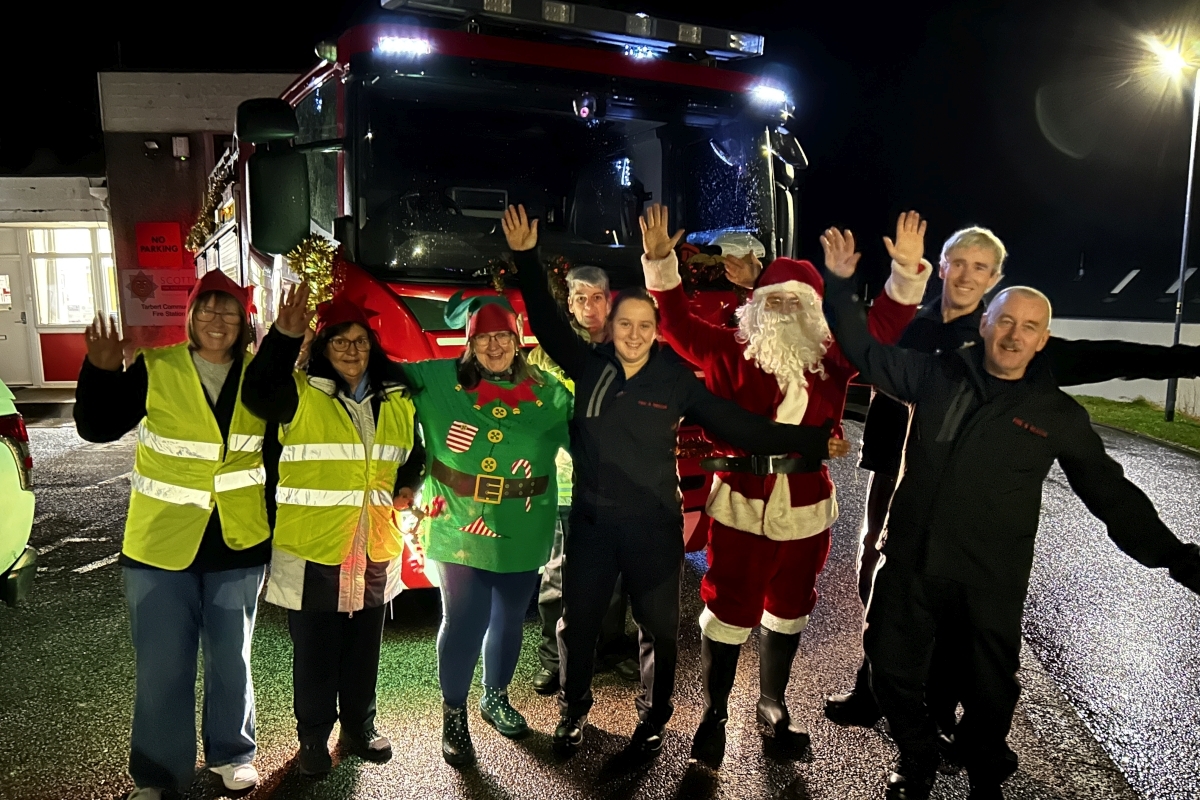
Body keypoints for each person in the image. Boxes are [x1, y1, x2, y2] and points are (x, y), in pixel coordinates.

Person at [819, 225, 1200, 800]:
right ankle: (915, 757)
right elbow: (865, 352)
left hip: (990, 572)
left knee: (991, 689)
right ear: (986, 323)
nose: (1014, 335)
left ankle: (984, 773)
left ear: (1044, 339)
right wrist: (842, 284)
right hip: (914, 555)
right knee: (889, 664)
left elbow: (1112, 495)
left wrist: (1177, 559)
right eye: (1005, 322)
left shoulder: (1055, 412)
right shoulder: (939, 374)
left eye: (1029, 328)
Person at [500, 204, 850, 756]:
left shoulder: (679, 381)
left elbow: (744, 427)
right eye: (625, 326)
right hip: (597, 520)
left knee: (664, 631)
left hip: (664, 521)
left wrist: (813, 442)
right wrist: (527, 257)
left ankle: (665, 717)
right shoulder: (590, 365)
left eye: (645, 326)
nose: (635, 335)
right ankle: (577, 710)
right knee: (581, 622)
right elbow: (545, 321)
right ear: (609, 330)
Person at [640, 205, 930, 767]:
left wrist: (907, 274)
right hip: (742, 505)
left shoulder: (833, 359)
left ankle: (773, 703)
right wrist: (659, 262)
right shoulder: (727, 350)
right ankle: (715, 712)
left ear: (814, 310)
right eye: (773, 298)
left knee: (792, 604)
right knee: (728, 606)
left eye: (796, 299)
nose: (782, 307)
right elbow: (673, 323)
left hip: (806, 509)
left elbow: (884, 330)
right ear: (756, 306)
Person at [74, 270, 272, 799]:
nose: (217, 320)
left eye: (229, 311)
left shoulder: (261, 377)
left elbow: (276, 459)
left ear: (244, 322)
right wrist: (97, 369)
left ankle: (233, 753)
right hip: (159, 547)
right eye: (206, 309)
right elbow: (96, 426)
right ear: (189, 318)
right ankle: (158, 774)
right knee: (163, 667)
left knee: (233, 658)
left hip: (238, 542)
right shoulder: (155, 367)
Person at [240, 285, 424, 777]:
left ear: (372, 346)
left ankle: (360, 729)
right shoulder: (298, 392)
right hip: (312, 547)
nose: (351, 350)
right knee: (316, 653)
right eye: (339, 341)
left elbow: (416, 457)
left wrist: (409, 486)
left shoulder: (397, 398)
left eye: (360, 341)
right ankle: (314, 740)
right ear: (322, 347)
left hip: (374, 545)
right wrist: (282, 336)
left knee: (365, 649)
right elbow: (256, 391)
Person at [400, 291, 572, 767]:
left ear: (517, 341)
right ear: (468, 343)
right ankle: (453, 712)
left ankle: (494, 697)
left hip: (525, 523)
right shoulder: (437, 380)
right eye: (484, 338)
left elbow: (596, 437)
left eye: (503, 337)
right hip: (456, 523)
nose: (494, 346)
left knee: (511, 618)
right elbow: (372, 373)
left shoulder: (550, 393)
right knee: (465, 619)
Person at [526, 265, 639, 694]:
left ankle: (609, 650)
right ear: (568, 304)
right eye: (580, 298)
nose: (589, 307)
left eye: (597, 297)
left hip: (613, 485)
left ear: (609, 300)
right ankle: (554, 659)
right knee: (557, 574)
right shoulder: (542, 355)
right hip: (564, 482)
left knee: (612, 577)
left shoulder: (629, 351)